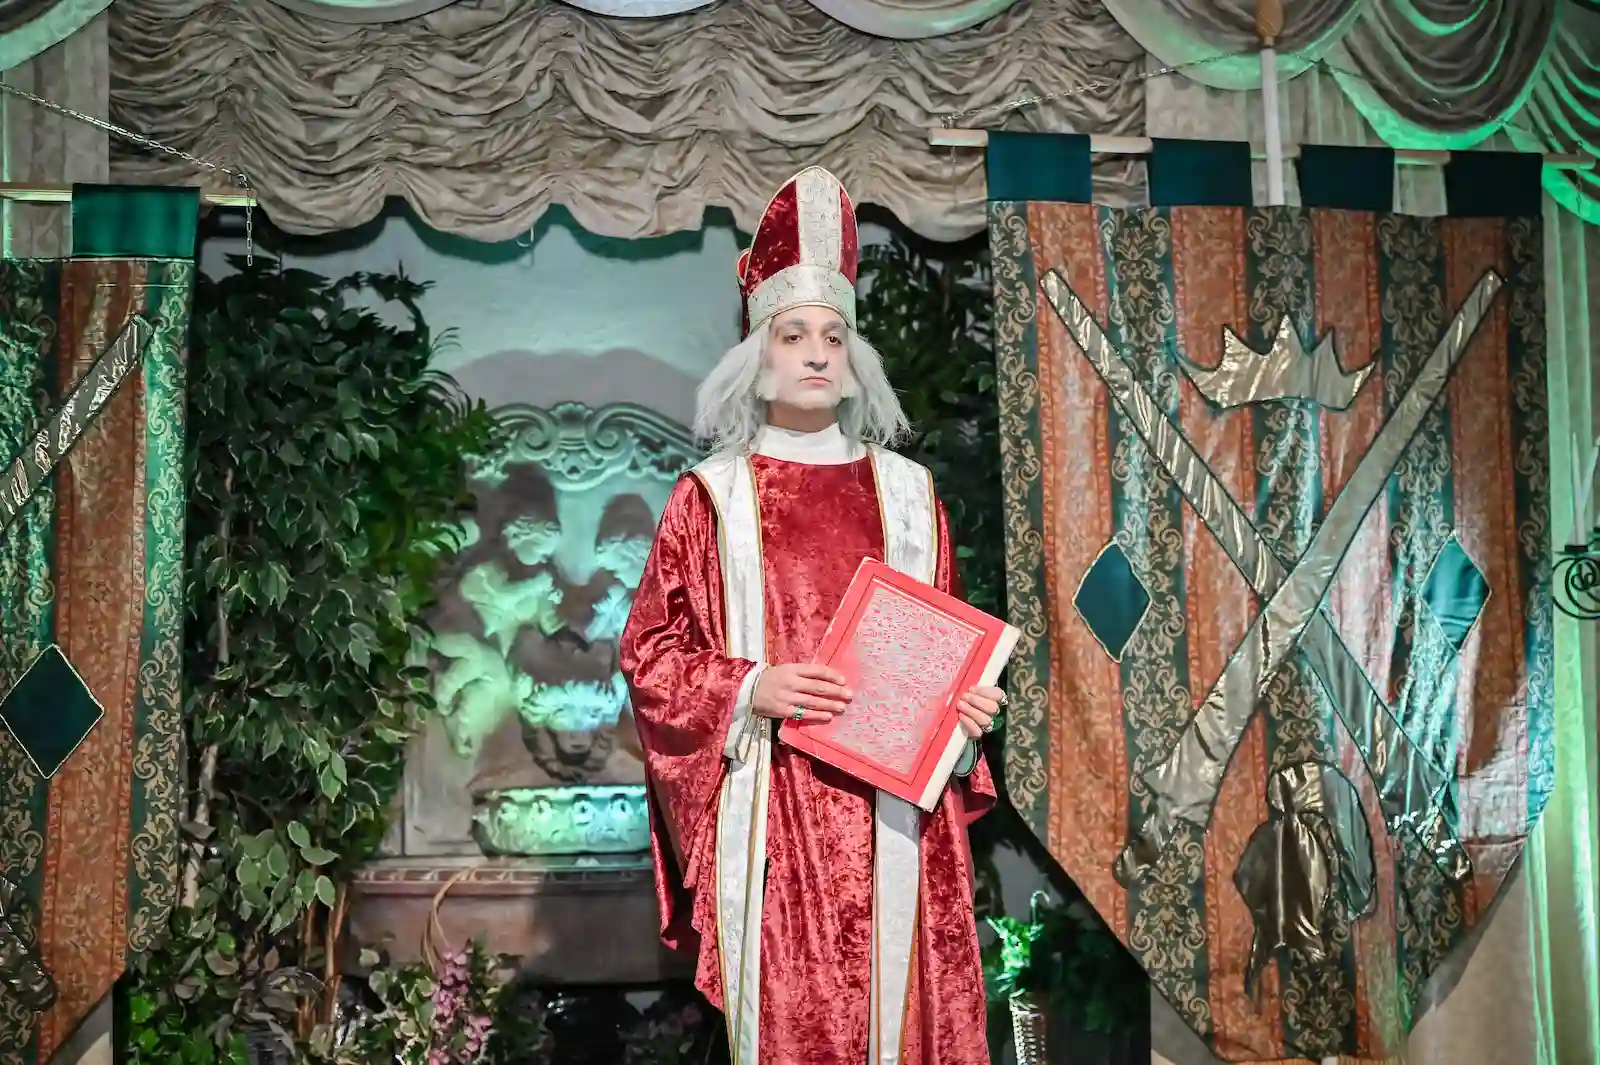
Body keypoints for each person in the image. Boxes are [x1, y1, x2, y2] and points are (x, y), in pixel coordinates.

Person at [620, 166, 1002, 1065]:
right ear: (759, 352)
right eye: (794, 334)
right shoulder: (710, 499)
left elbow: (938, 651)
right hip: (777, 811)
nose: (818, 352)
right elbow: (651, 655)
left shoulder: (910, 495)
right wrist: (754, 685)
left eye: (834, 334)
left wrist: (966, 715)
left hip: (896, 815)